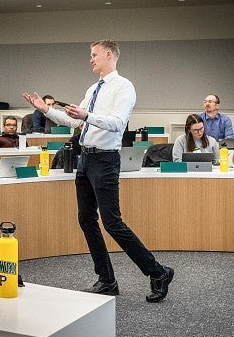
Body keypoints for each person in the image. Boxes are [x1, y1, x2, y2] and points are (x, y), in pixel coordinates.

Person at [23, 39, 174, 303]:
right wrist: (47, 110)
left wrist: (86, 116)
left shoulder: (123, 86)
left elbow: (117, 124)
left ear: (108, 55)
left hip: (105, 160)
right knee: (86, 219)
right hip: (86, 159)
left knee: (113, 223)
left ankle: (158, 272)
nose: (90, 59)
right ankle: (106, 280)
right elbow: (74, 121)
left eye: (94, 55)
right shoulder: (93, 88)